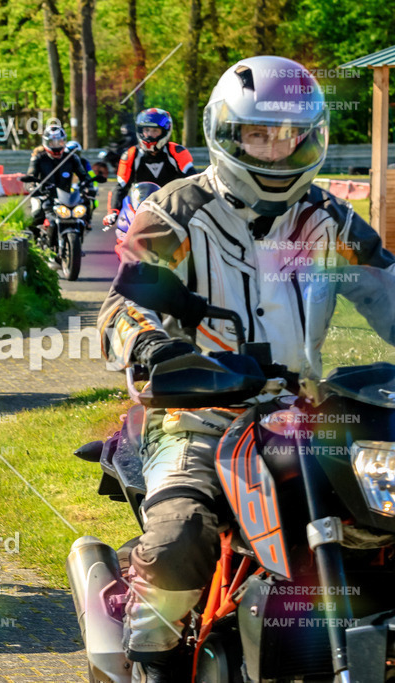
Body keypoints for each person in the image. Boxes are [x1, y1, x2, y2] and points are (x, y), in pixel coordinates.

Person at [97, 55, 395, 682]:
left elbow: (387, 291)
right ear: (229, 135)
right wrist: (152, 350)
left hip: (307, 416)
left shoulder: (328, 217)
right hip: (195, 414)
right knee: (179, 539)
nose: (276, 148)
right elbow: (122, 307)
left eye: (289, 135)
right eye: (259, 134)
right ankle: (152, 663)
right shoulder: (174, 211)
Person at [103, 108, 195, 229]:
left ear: (165, 131)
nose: (149, 135)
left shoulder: (178, 152)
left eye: (154, 130)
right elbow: (120, 187)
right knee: (121, 243)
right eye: (146, 130)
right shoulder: (131, 155)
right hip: (140, 211)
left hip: (173, 211)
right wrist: (113, 212)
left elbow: (192, 183)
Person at [23, 124, 96, 234]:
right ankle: (34, 240)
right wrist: (32, 187)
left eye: (60, 142)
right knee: (37, 213)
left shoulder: (72, 158)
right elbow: (31, 176)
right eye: (53, 143)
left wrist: (88, 186)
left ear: (64, 142)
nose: (57, 146)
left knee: (83, 209)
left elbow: (84, 176)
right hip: (45, 196)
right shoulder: (38, 158)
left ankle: (83, 228)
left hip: (66, 198)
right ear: (46, 143)